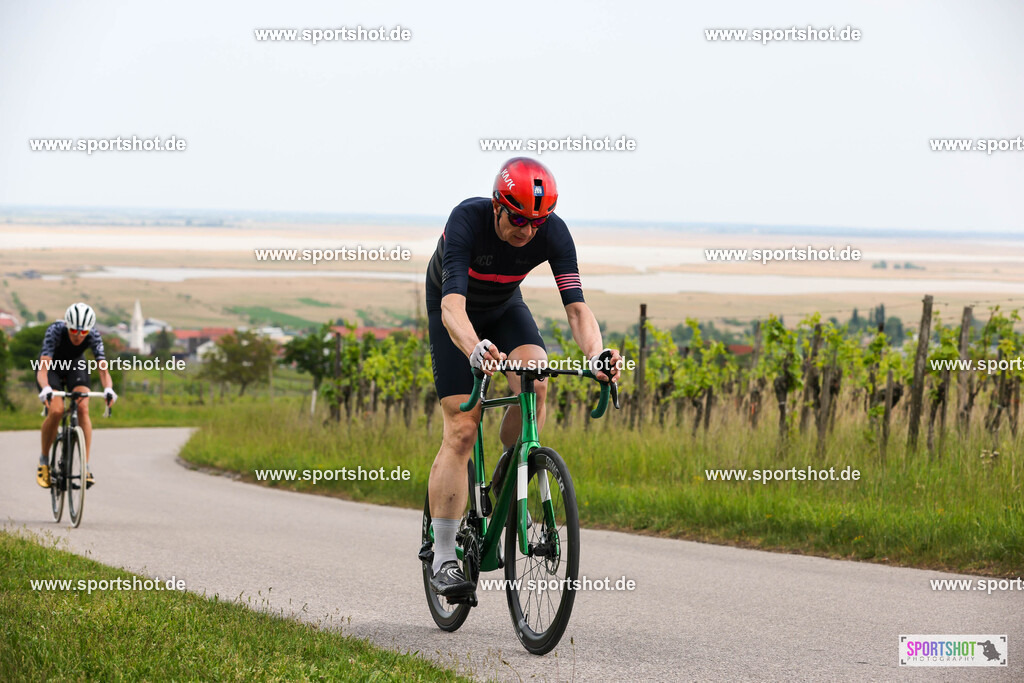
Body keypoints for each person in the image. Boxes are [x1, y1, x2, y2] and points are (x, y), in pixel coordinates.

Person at [424, 157, 621, 599]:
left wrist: (596, 353)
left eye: (537, 222)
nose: (527, 230)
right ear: (497, 205)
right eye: (517, 219)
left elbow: (576, 307)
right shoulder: (466, 220)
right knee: (462, 426)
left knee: (537, 377)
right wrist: (473, 347)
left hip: (504, 306)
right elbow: (452, 307)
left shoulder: (553, 231)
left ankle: (509, 474)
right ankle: (443, 557)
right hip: (454, 309)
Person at [36, 302, 117, 488]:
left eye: (83, 332)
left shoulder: (94, 335)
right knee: (56, 410)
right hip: (52, 368)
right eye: (74, 331)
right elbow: (42, 369)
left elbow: (103, 371)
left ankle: (85, 467)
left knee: (83, 407)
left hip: (75, 365)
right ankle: (44, 461)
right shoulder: (55, 331)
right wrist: (46, 388)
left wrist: (109, 389)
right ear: (67, 325)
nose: (79, 335)